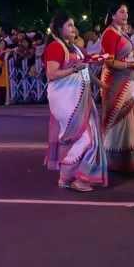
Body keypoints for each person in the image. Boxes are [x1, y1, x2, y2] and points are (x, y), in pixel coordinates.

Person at [44, 13, 108, 192]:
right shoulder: (55, 47)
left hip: (81, 98)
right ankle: (69, 177)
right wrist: (74, 68)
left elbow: (85, 71)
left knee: (88, 137)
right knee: (84, 138)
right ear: (59, 28)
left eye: (74, 25)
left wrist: (101, 83)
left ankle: (73, 177)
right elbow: (51, 74)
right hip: (66, 99)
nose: (74, 28)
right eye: (69, 25)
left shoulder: (76, 48)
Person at [101, 3, 134, 172]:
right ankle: (115, 159)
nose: (125, 15)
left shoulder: (121, 32)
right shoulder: (109, 34)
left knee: (133, 116)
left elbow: (124, 55)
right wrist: (132, 65)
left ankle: (133, 158)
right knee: (118, 117)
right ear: (112, 15)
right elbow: (109, 62)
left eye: (126, 12)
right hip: (116, 81)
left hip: (129, 79)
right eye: (121, 12)